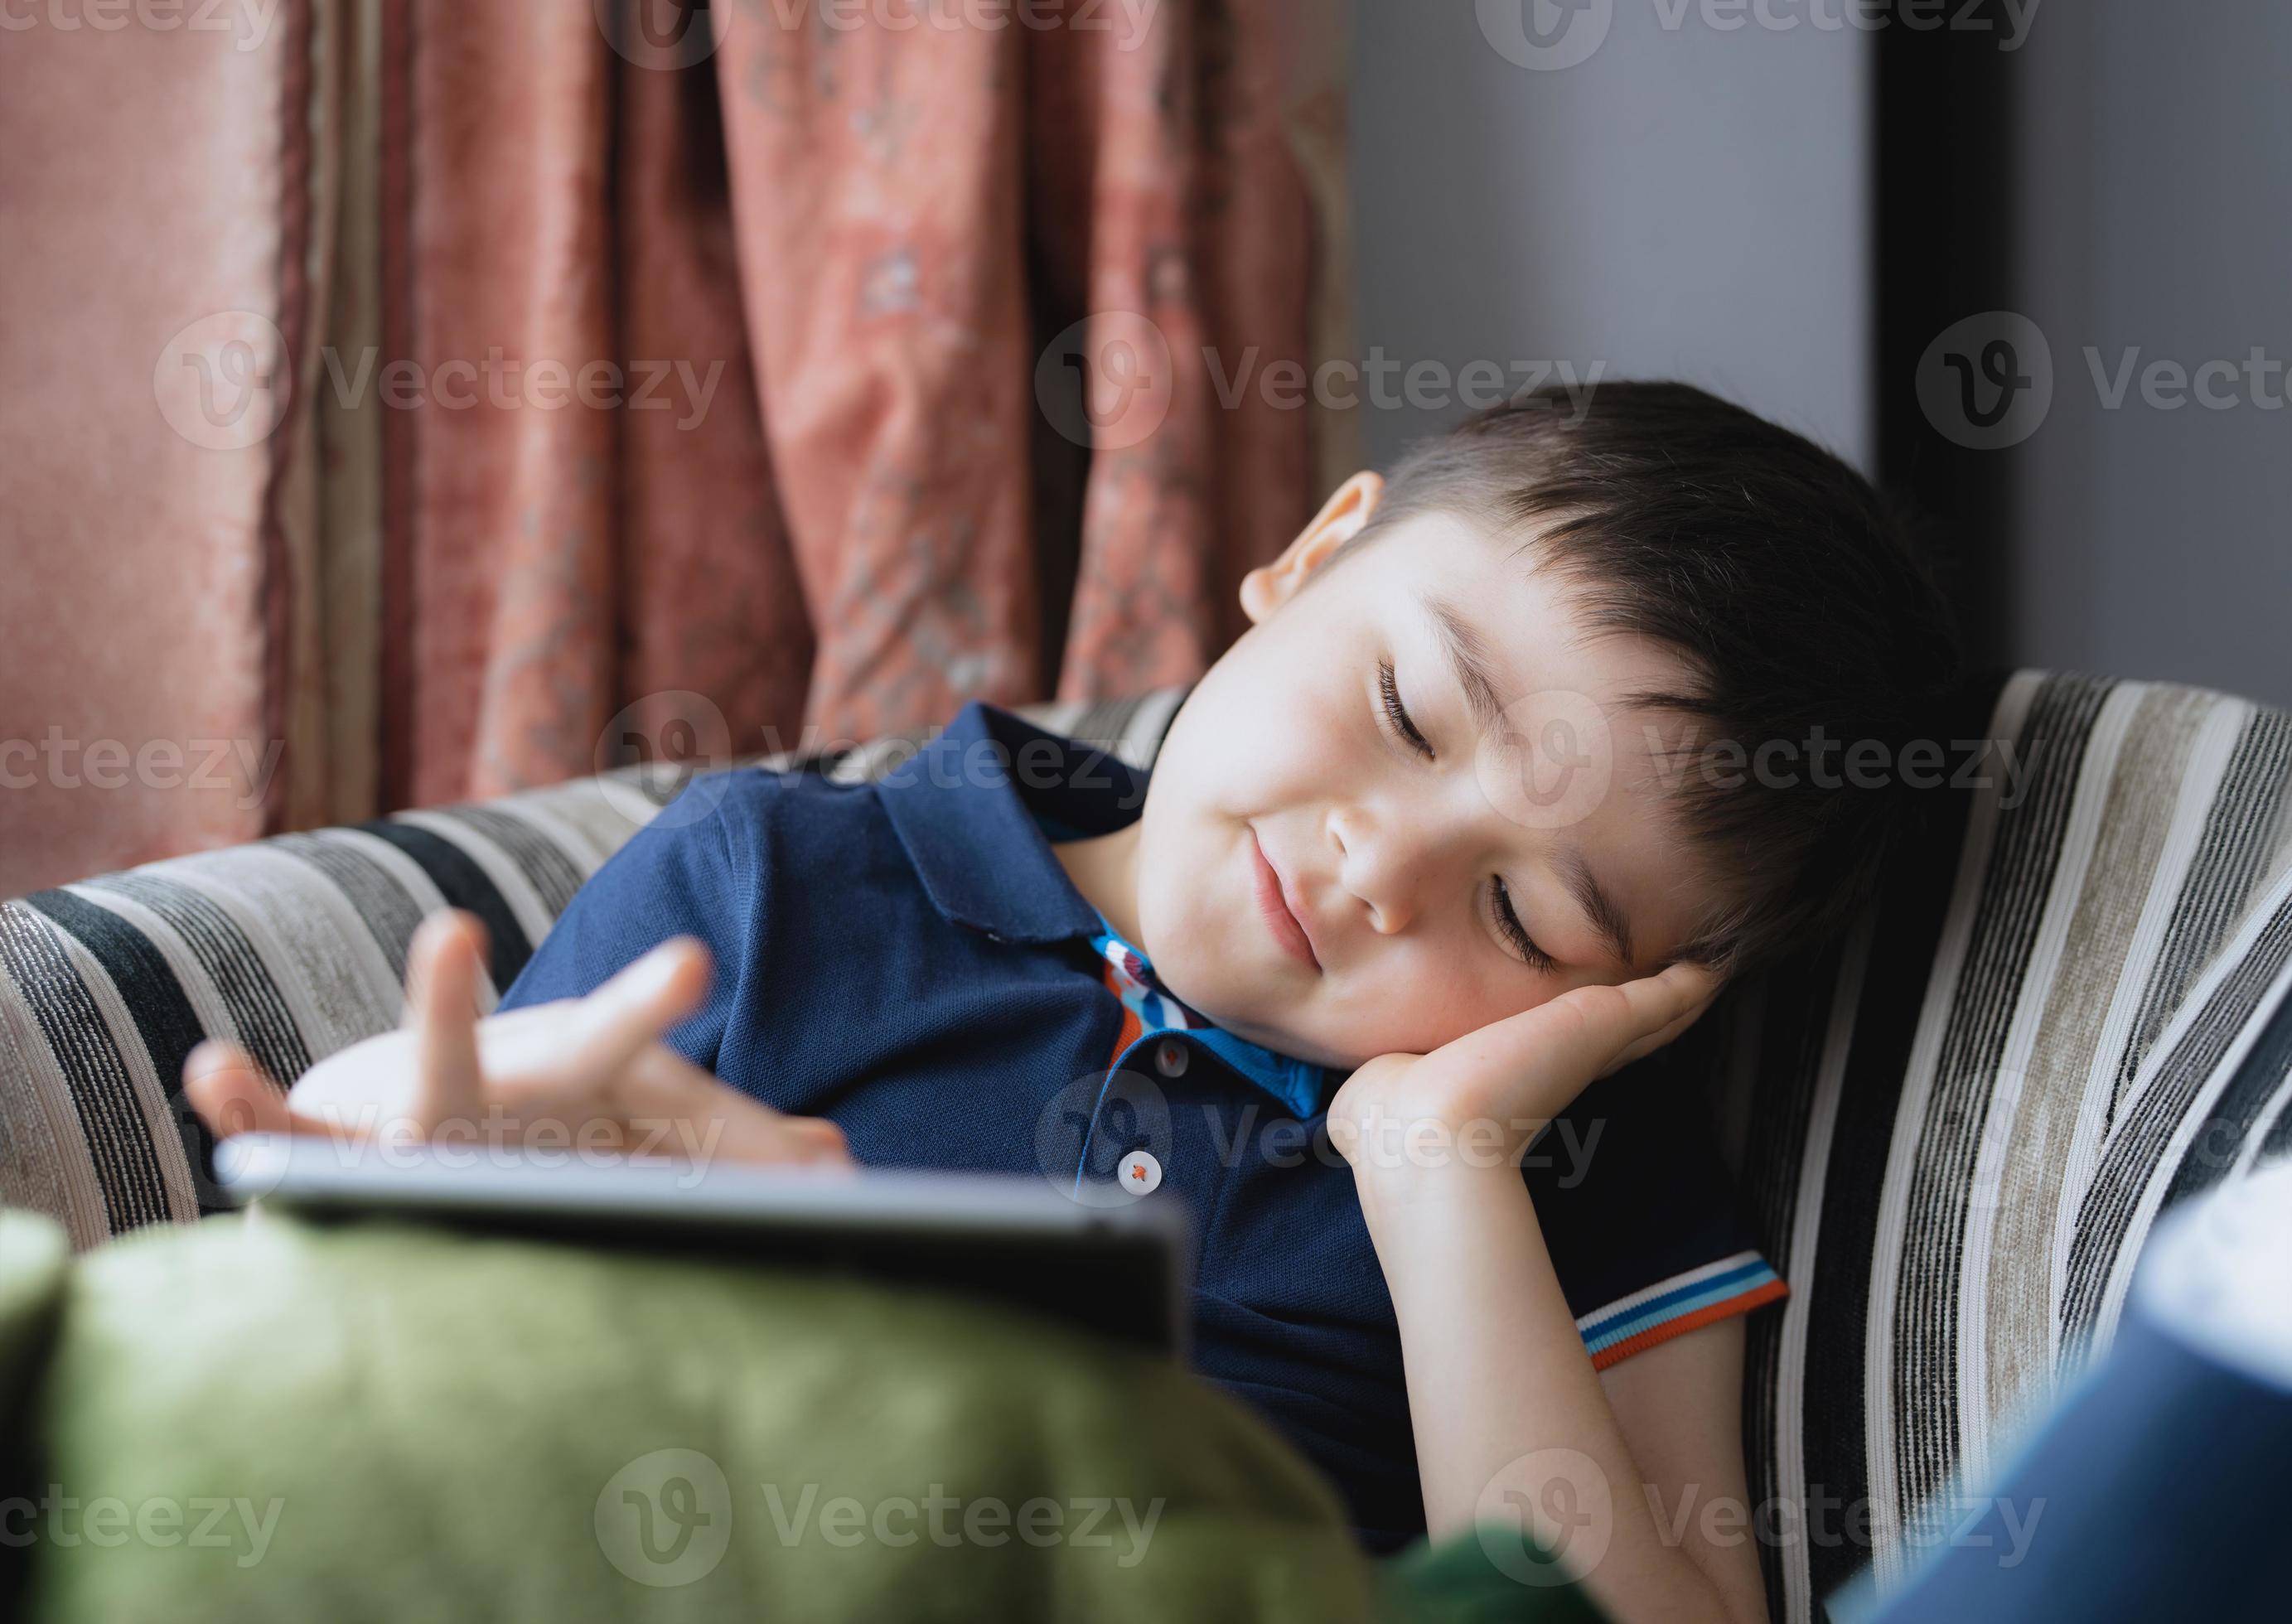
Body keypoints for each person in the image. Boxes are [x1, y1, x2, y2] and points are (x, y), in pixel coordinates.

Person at [185, 384, 1961, 1624]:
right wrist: (423, 1125)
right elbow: (404, 1244)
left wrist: (1437, 1176)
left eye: (1524, 906)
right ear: (1316, 551)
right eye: (1413, 710)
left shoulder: (1563, 1157)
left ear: (1639, 995)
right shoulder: (778, 885)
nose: (1375, 861)